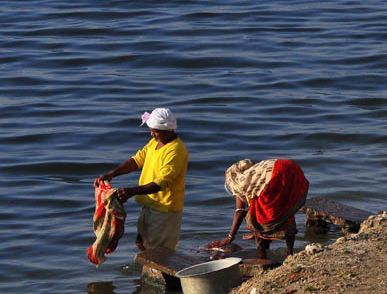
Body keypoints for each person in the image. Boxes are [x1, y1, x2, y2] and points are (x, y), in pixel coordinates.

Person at [95, 108, 188, 251]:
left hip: (165, 210)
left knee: (161, 253)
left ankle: (166, 274)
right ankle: (152, 273)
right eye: (151, 130)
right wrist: (112, 174)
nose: (152, 134)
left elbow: (161, 183)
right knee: (143, 245)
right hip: (150, 205)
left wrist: (131, 191)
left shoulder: (176, 151)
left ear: (168, 130)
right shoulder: (154, 143)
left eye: (155, 131)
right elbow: (136, 161)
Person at [209, 159, 309, 260]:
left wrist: (229, 237)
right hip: (292, 168)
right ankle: (290, 254)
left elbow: (240, 212)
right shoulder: (256, 172)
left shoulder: (238, 181)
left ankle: (262, 257)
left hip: (277, 174)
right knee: (284, 210)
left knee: (257, 218)